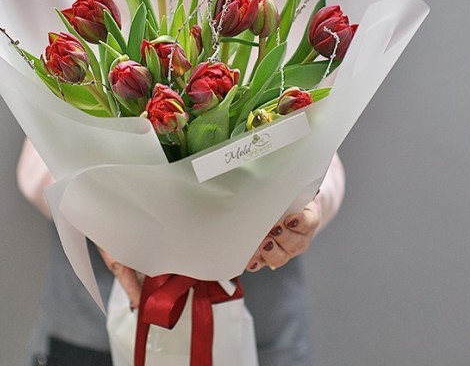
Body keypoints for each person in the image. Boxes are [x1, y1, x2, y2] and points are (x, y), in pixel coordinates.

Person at [18, 138, 345, 366]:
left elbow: (320, 145)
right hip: (95, 333)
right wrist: (100, 213)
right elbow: (40, 159)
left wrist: (300, 208)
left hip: (259, 332)